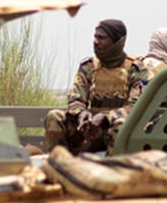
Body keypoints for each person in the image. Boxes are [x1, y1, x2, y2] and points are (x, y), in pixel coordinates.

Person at [44, 19, 148, 155]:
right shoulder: (88, 66)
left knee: (121, 125)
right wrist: (82, 113)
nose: (96, 41)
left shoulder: (136, 69)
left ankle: (113, 171)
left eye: (102, 38)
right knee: (54, 116)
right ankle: (61, 165)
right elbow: (75, 99)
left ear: (117, 42)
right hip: (89, 131)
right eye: (95, 36)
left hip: (118, 132)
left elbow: (136, 107)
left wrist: (106, 117)